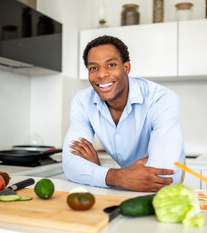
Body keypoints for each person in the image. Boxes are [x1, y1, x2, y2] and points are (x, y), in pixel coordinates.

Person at [62, 35, 185, 192]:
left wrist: (97, 172)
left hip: (168, 183)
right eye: (93, 68)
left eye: (111, 65)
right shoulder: (82, 101)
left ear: (126, 68)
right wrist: (120, 177)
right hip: (126, 184)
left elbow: (161, 174)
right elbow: (71, 166)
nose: (101, 74)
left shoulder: (161, 98)